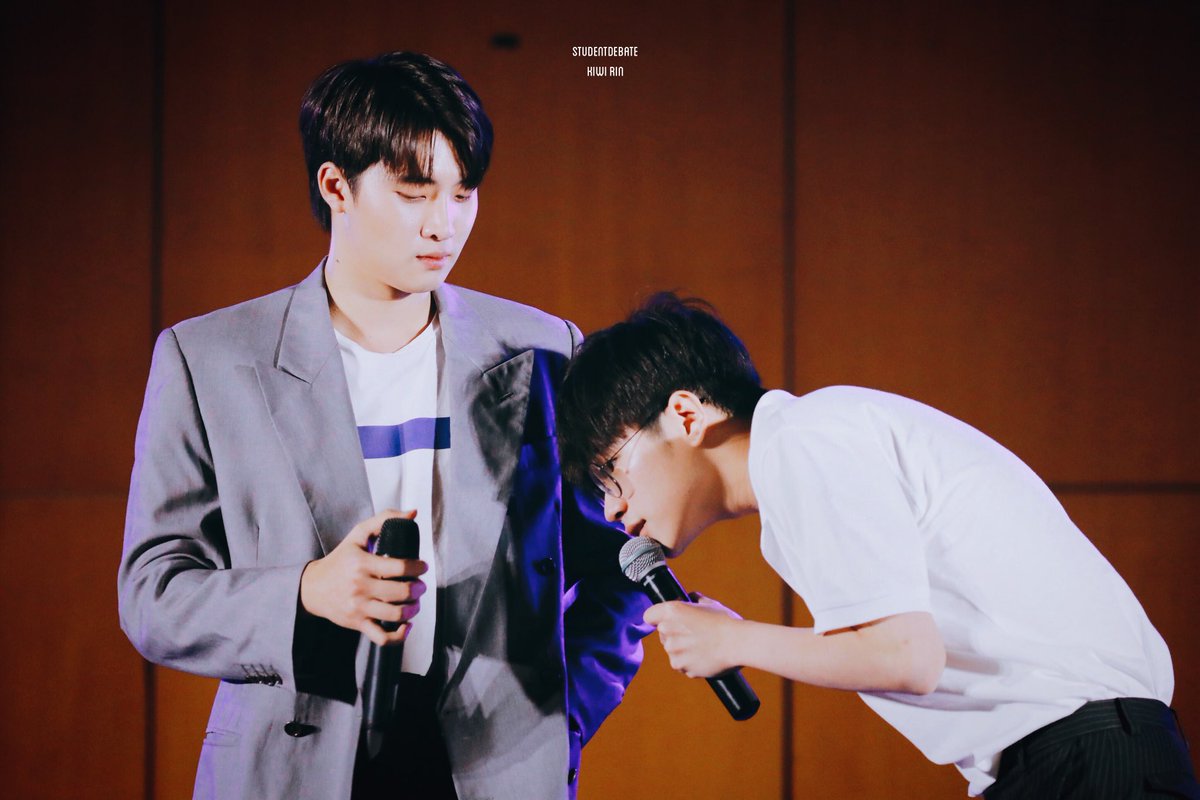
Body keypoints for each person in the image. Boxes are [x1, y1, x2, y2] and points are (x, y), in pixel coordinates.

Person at [118, 51, 648, 800]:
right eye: (413, 192)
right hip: (293, 761)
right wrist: (307, 591)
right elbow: (153, 594)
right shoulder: (209, 358)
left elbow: (625, 561)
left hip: (492, 766)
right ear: (336, 185)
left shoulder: (543, 349)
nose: (444, 224)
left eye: (463, 193)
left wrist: (564, 715)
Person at [555, 293, 1199, 799]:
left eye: (612, 470)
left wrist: (736, 641)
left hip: (1088, 756)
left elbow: (906, 658)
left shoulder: (804, 440)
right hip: (1072, 755)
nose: (611, 507)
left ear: (686, 415)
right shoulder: (807, 451)